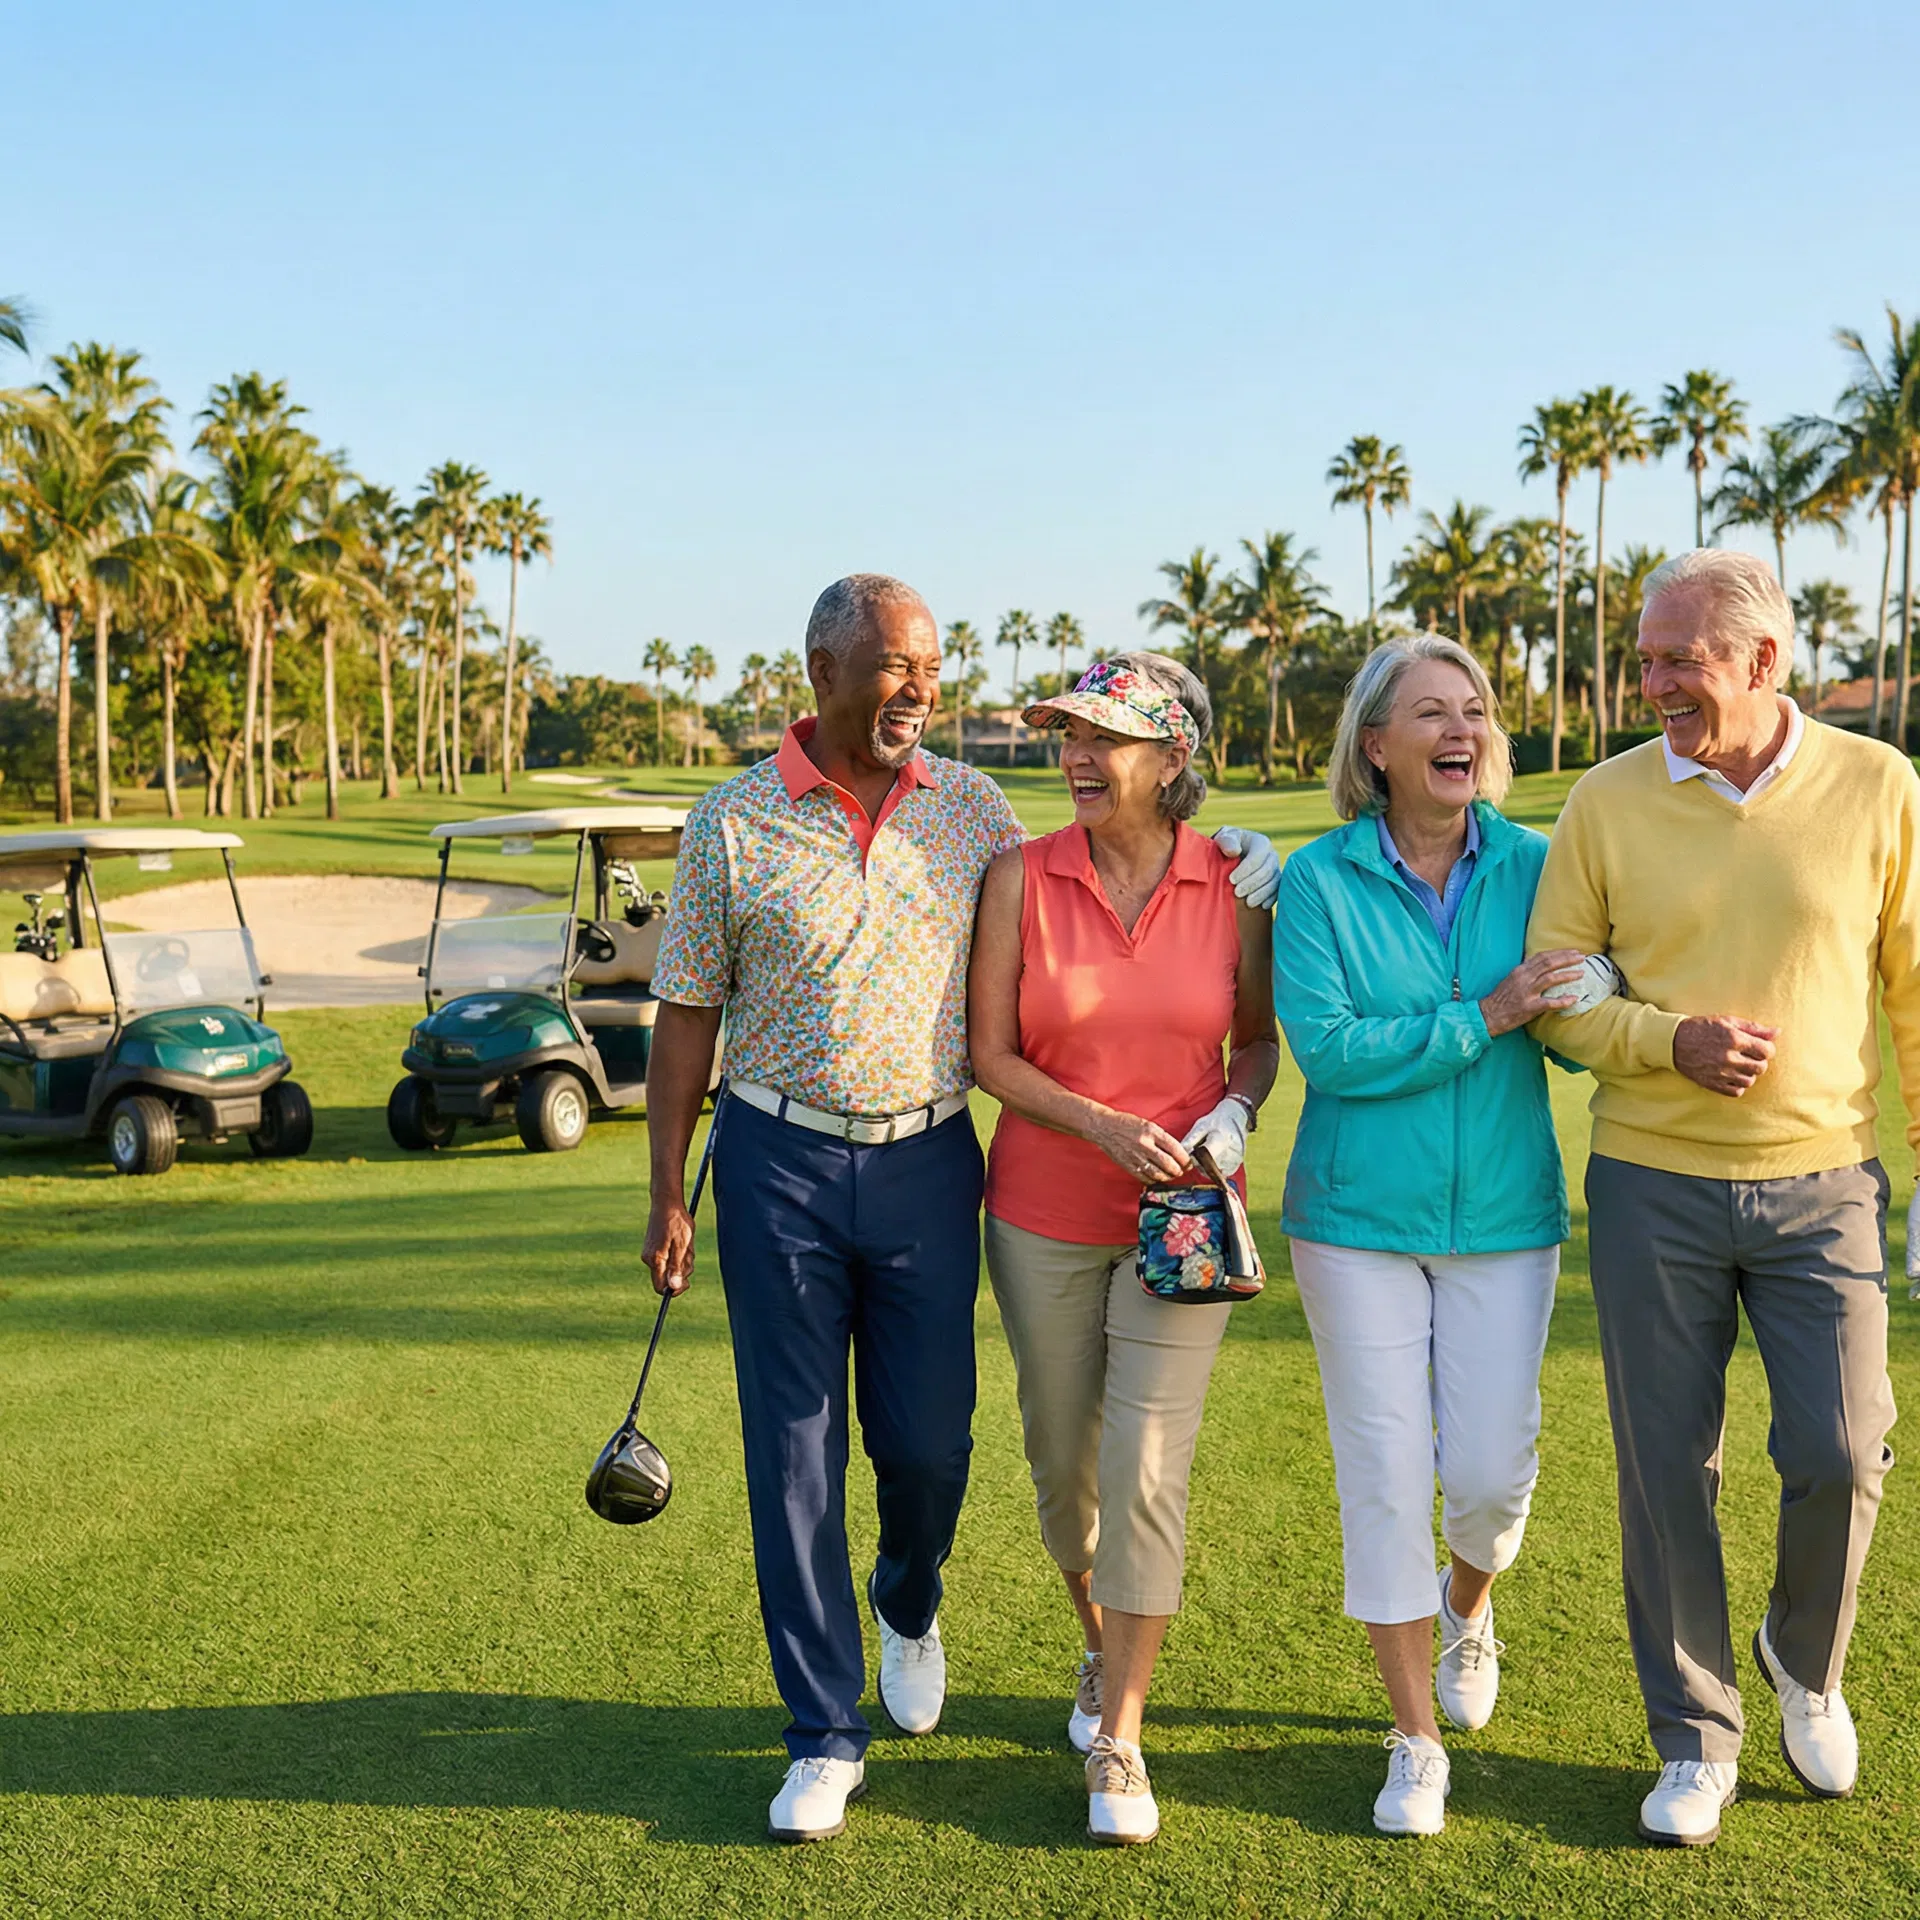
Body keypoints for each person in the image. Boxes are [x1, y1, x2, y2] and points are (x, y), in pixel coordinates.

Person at [640, 577, 1282, 1844]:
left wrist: (1250, 852)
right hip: (775, 1160)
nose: (918, 690)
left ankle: (909, 1592)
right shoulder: (729, 822)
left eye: (929, 667)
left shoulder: (977, 810)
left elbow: (1126, 866)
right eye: (892, 667)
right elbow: (685, 1019)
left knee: (929, 1447)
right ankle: (824, 1730)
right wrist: (668, 1188)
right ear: (821, 669)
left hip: (933, 1163)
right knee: (796, 1451)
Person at [1526, 548, 1913, 1848]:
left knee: (1843, 1450)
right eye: (1645, 657)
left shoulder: (1881, 788)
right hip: (1651, 1186)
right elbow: (1557, 988)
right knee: (1662, 1473)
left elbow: (1913, 994)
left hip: (1828, 1186)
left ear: (1761, 659)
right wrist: (1663, 1042)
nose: (1651, 682)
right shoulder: (1606, 801)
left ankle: (1803, 1660)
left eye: (1675, 657)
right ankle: (1695, 1733)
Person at [1272, 634, 1586, 1838]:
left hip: (1508, 1214)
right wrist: (1484, 1015)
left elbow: (1586, 993)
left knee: (1494, 1477)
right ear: (1376, 746)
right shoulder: (1319, 880)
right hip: (1354, 1224)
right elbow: (1332, 1052)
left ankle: (1471, 1605)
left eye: (1476, 710)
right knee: (1387, 1476)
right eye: (1432, 713)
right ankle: (1413, 1738)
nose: (1462, 729)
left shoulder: (1538, 864)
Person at [969, 652, 1280, 1847]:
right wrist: (1101, 1123)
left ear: (1173, 756)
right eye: (1068, 735)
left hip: (1186, 1221)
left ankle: (1121, 1735)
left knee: (1152, 1463)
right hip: (1042, 1210)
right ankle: (1098, 1646)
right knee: (1065, 1469)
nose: (1079, 758)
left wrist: (1234, 1111)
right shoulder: (1019, 877)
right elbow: (990, 1057)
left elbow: (1254, 1044)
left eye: (1107, 736)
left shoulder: (1236, 885)